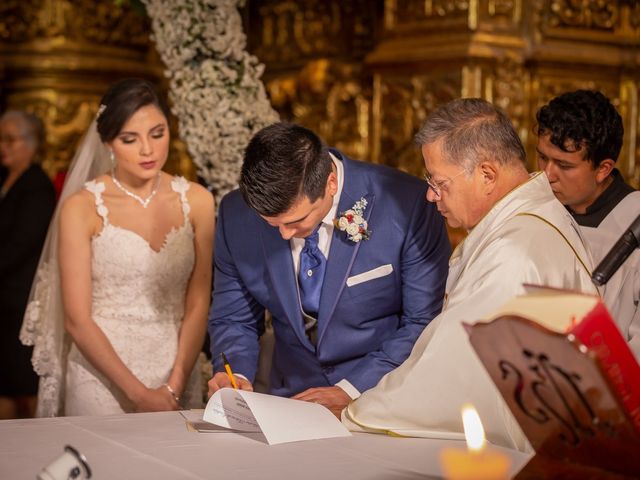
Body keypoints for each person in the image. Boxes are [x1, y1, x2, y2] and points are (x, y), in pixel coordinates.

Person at [342, 98, 598, 451]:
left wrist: (356, 414)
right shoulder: (535, 216)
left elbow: (452, 371)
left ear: (487, 175)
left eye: (439, 182)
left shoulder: (514, 251)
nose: (431, 196)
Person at [208, 122, 450, 416]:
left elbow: (423, 322)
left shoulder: (407, 204)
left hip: (382, 398)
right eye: (272, 224)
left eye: (296, 221)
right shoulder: (236, 215)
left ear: (330, 184)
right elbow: (234, 318)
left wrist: (350, 390)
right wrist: (235, 376)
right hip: (290, 402)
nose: (284, 235)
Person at [20, 78, 215, 416]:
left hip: (175, 371)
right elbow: (77, 320)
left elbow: (198, 300)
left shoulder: (197, 201)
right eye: (130, 139)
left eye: (157, 133)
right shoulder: (81, 208)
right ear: (108, 142)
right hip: (100, 378)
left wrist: (177, 381)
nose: (148, 150)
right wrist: (139, 394)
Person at [536, 89, 640, 359]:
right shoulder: (536, 211)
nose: (547, 175)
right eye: (542, 157)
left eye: (564, 165)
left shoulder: (634, 218)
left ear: (603, 169)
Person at [0, 111, 56, 419]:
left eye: (10, 139)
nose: (3, 146)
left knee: (22, 386)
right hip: (3, 299)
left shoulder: (37, 187)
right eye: (2, 139)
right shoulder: (4, 179)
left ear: (32, 145)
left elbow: (21, 245)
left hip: (20, 300)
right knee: (6, 385)